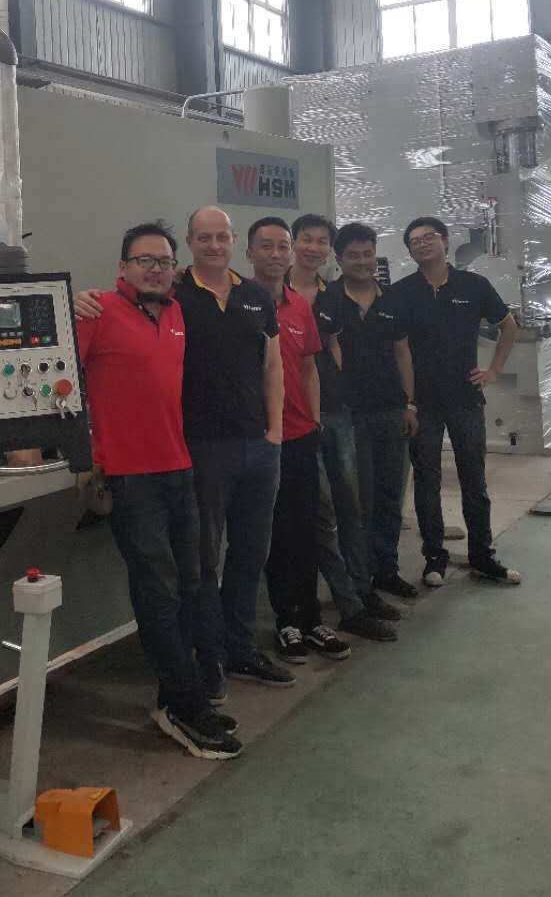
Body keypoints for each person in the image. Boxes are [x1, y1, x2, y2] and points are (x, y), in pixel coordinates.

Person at [75, 206, 294, 703]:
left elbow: (272, 365)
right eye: (204, 237)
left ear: (233, 242)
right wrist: (77, 300)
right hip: (189, 455)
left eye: (222, 237)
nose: (214, 245)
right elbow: (67, 364)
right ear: (191, 246)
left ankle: (233, 652)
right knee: (186, 573)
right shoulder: (167, 299)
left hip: (239, 450)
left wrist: (275, 434)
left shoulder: (236, 299)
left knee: (239, 558)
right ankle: (197, 673)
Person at [75, 221, 242, 761]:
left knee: (192, 585)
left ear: (175, 269)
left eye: (163, 261)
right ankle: (184, 707)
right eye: (143, 260)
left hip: (179, 468)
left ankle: (180, 697)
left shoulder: (176, 314)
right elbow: (57, 382)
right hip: (129, 478)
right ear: (122, 267)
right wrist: (84, 457)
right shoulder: (96, 312)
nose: (154, 269)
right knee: (159, 592)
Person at [390, 216, 522, 589]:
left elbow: (508, 326)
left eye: (429, 237)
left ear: (446, 242)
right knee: (426, 481)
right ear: (410, 251)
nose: (422, 244)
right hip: (423, 404)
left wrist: (493, 371)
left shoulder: (473, 286)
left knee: (473, 479)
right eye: (414, 241)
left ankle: (483, 557)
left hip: (465, 399)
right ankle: (434, 558)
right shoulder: (402, 292)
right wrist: (408, 401)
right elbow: (398, 349)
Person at [288, 215, 402, 640]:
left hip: (337, 415)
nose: (313, 248)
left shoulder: (331, 296)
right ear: (294, 243)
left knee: (351, 510)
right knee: (321, 515)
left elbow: (333, 348)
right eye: (306, 240)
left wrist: (340, 396)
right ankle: (347, 604)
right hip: (295, 419)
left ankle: (362, 591)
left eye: (321, 241)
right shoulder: (269, 294)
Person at [248, 216, 349, 663]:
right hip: (259, 439)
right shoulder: (239, 303)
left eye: (281, 246)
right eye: (265, 246)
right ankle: (285, 620)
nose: (275, 254)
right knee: (275, 533)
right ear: (249, 253)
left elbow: (309, 366)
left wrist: (313, 419)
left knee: (307, 528)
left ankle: (311, 619)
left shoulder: (299, 307)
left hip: (301, 435)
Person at [330, 222, 420, 602]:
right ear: (339, 259)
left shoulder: (392, 300)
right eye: (353, 255)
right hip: (350, 417)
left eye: (367, 254)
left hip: (391, 413)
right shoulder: (329, 299)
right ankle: (361, 579)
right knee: (359, 502)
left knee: (389, 496)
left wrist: (409, 404)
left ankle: (387, 570)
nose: (362, 261)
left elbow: (402, 353)